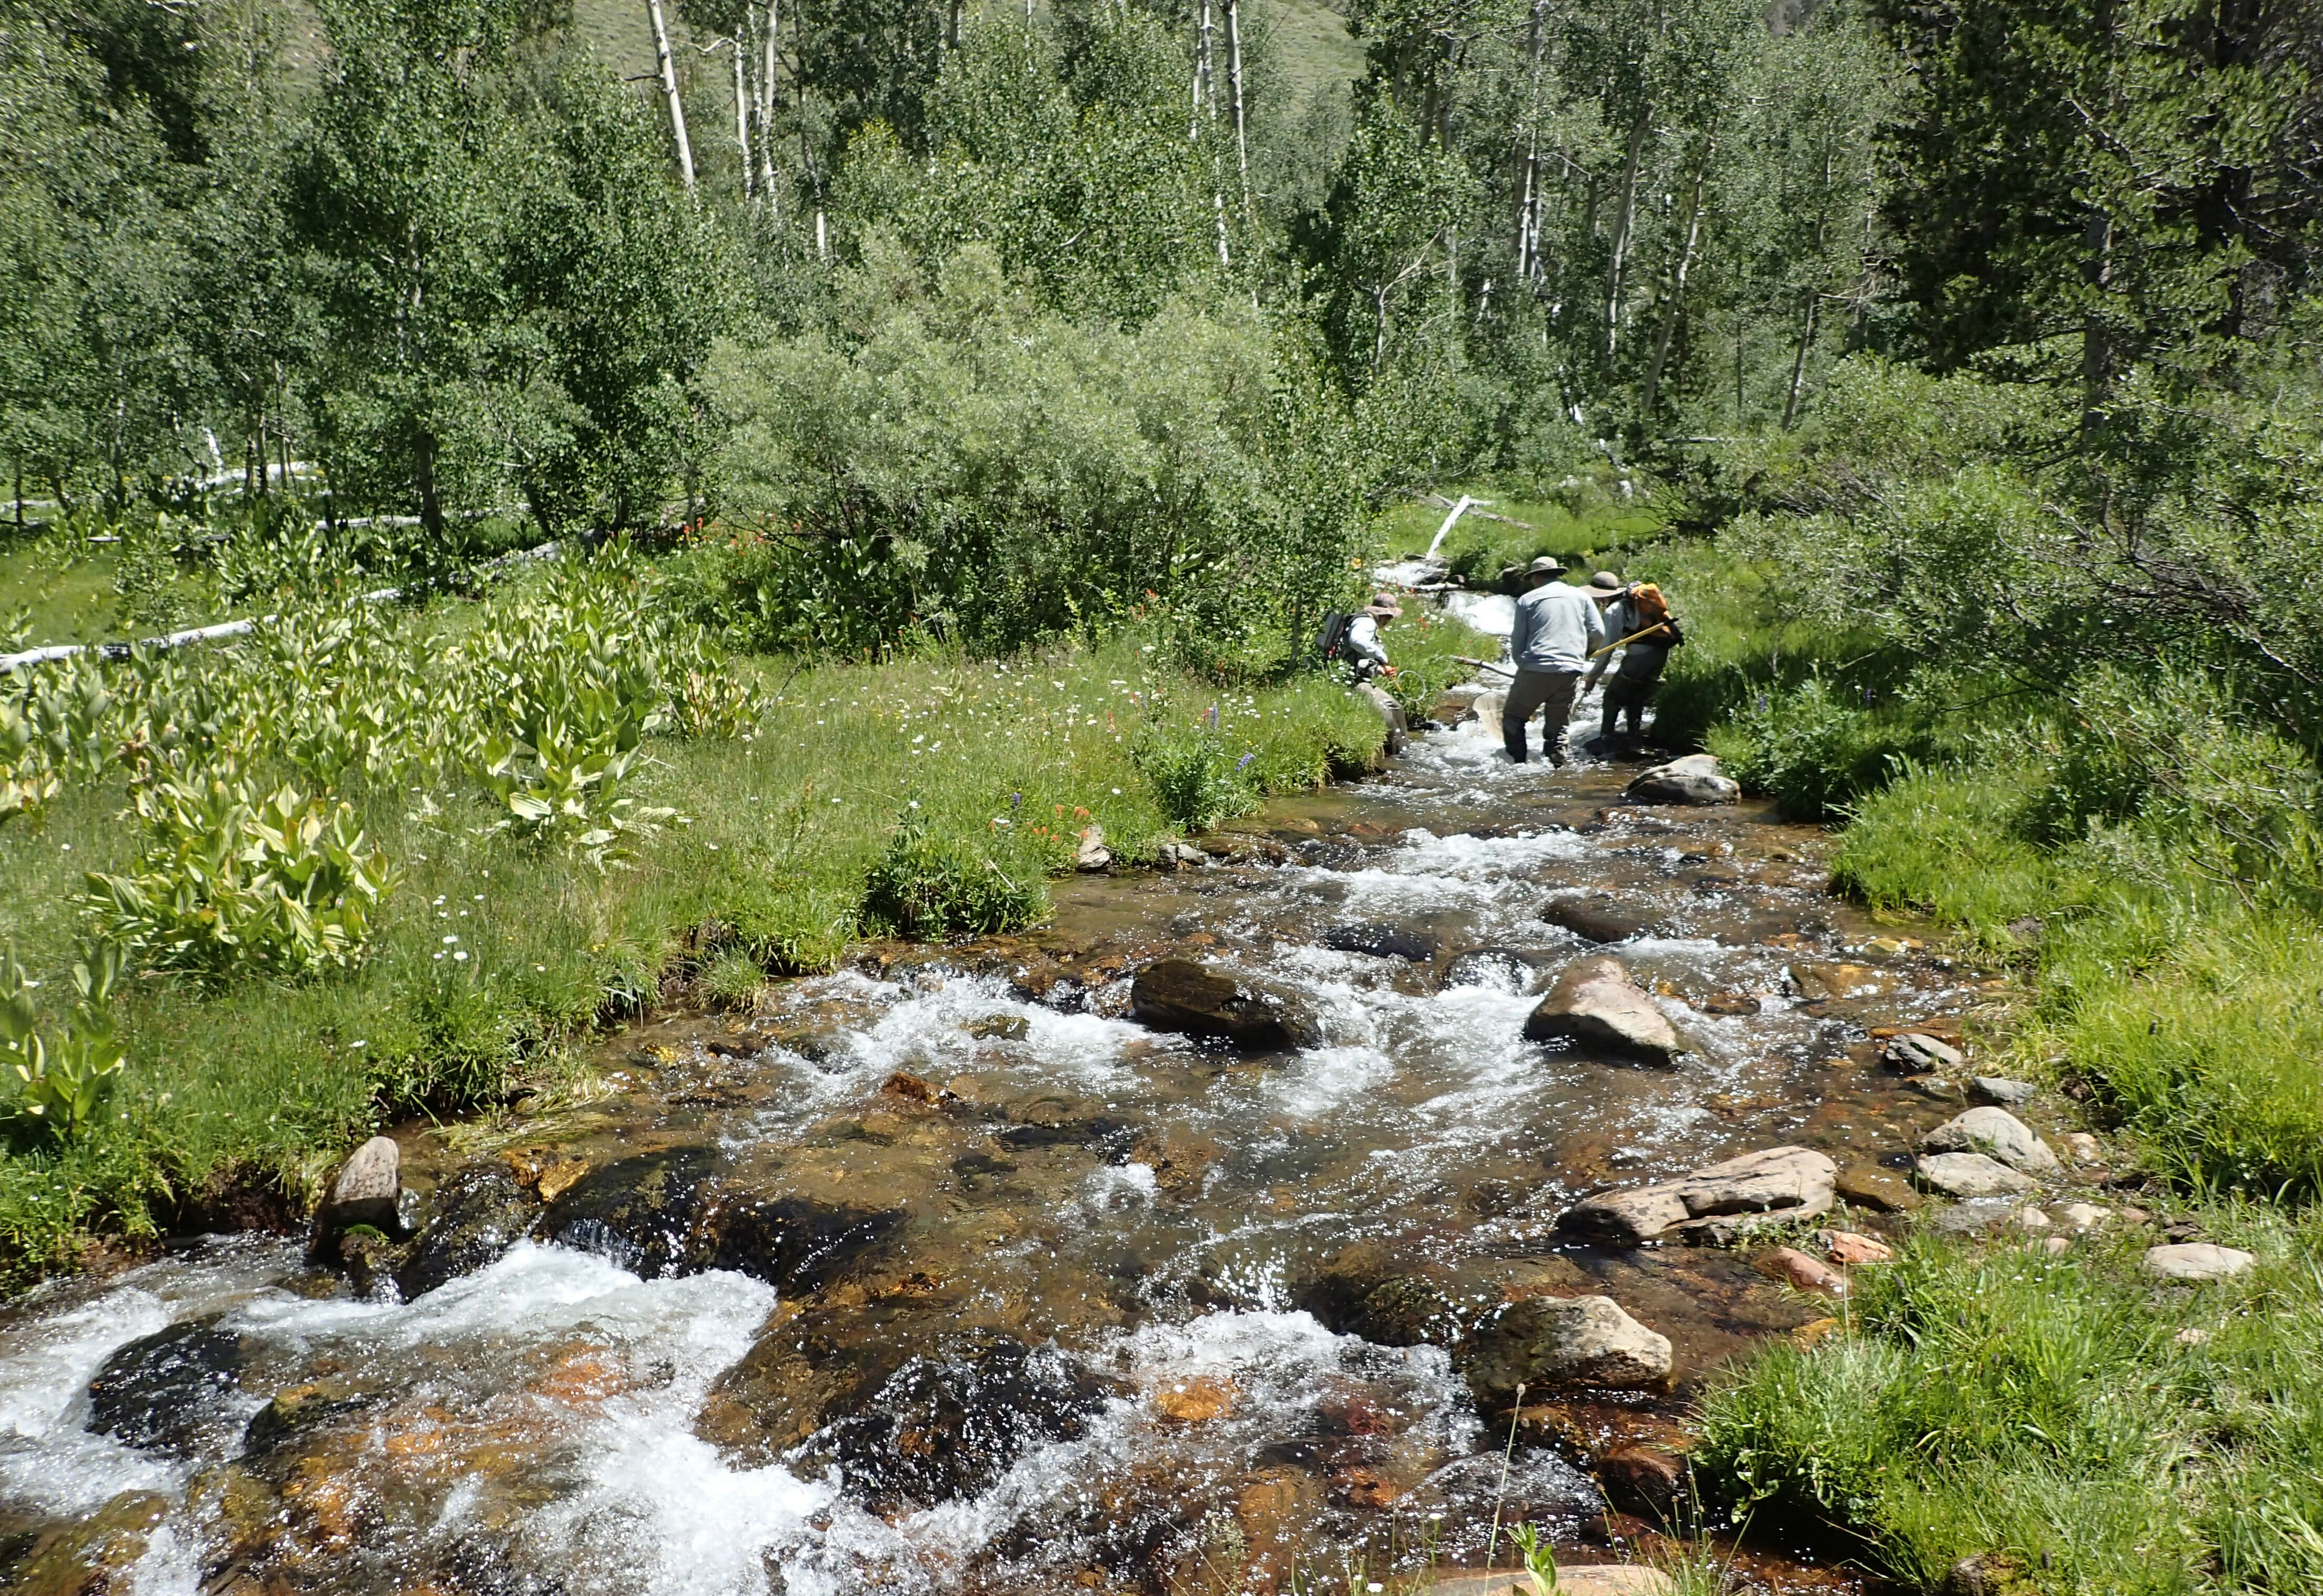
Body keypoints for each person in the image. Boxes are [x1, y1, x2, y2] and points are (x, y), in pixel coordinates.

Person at [1502, 557, 1604, 764]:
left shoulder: (1528, 599)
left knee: (1513, 718)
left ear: (1536, 578)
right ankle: (1557, 767)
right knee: (1558, 728)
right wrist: (1584, 654)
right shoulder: (1581, 596)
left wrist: (1523, 664)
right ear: (1557, 574)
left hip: (1536, 667)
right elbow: (1598, 632)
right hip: (1571, 669)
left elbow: (1518, 641)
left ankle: (1517, 766)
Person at [1583, 570, 1680, 747]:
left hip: (1639, 658)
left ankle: (1606, 740)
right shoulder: (1634, 603)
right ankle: (1634, 737)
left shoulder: (1614, 610)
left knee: (1612, 697)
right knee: (1635, 696)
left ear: (1602, 597)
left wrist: (1592, 677)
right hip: (1660, 653)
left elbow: (1607, 649)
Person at [1342, 593, 1402, 682]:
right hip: (1346, 675)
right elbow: (1356, 641)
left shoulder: (1364, 620)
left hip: (1348, 673)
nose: (1389, 620)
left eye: (1391, 617)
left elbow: (1356, 657)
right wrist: (1382, 657)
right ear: (1379, 613)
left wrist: (1380, 669)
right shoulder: (1367, 623)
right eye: (1388, 616)